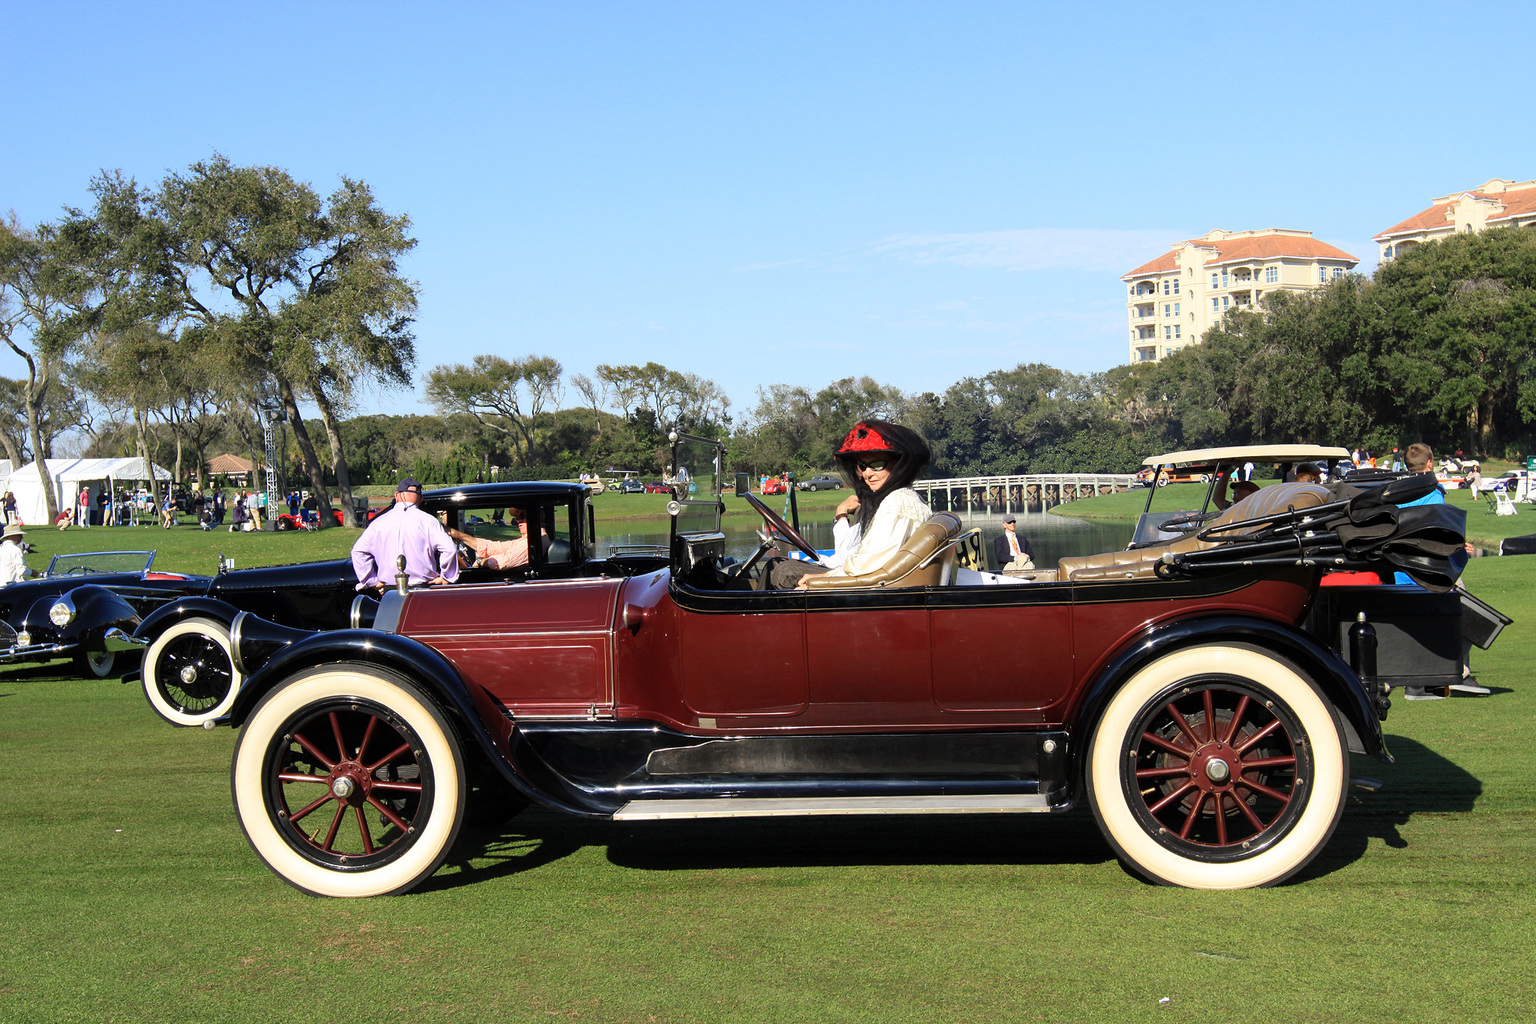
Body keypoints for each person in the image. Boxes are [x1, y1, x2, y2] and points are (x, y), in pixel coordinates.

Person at [765, 421, 932, 590]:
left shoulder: (897, 503)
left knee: (780, 570)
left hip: (869, 590)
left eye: (877, 465)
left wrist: (824, 578)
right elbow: (861, 560)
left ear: (898, 465)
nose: (867, 474)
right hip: (862, 578)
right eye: (862, 466)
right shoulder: (891, 499)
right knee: (776, 565)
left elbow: (867, 566)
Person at [351, 476, 460, 592]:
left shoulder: (378, 523)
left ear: (396, 495)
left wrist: (371, 581)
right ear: (420, 499)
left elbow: (358, 552)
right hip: (423, 590)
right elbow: (450, 549)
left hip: (390, 590)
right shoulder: (428, 521)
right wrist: (446, 576)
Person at [447, 509, 531, 569]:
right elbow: (497, 547)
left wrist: (480, 562)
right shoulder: (524, 540)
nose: (518, 521)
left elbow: (501, 563)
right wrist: (458, 535)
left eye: (522, 516)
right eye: (517, 517)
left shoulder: (530, 543)